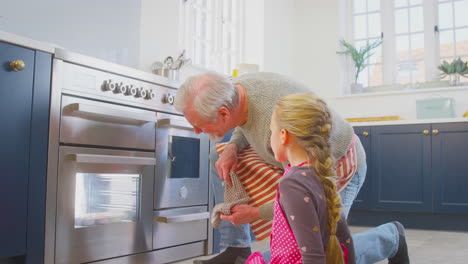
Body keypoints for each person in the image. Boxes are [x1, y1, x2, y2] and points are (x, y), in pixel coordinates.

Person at [174, 72, 409, 264]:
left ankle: (390, 237)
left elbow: (298, 201)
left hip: (339, 165)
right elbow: (243, 123)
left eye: (198, 126)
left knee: (327, 248)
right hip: (299, 164)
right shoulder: (235, 89)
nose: (196, 132)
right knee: (219, 153)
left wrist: (254, 213)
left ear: (223, 113)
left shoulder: (278, 135)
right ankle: (238, 248)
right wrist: (233, 146)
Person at [244, 93, 355, 264]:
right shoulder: (320, 173)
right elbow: (345, 241)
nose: (270, 136)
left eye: (272, 131)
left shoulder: (292, 185)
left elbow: (313, 257)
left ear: (283, 135)